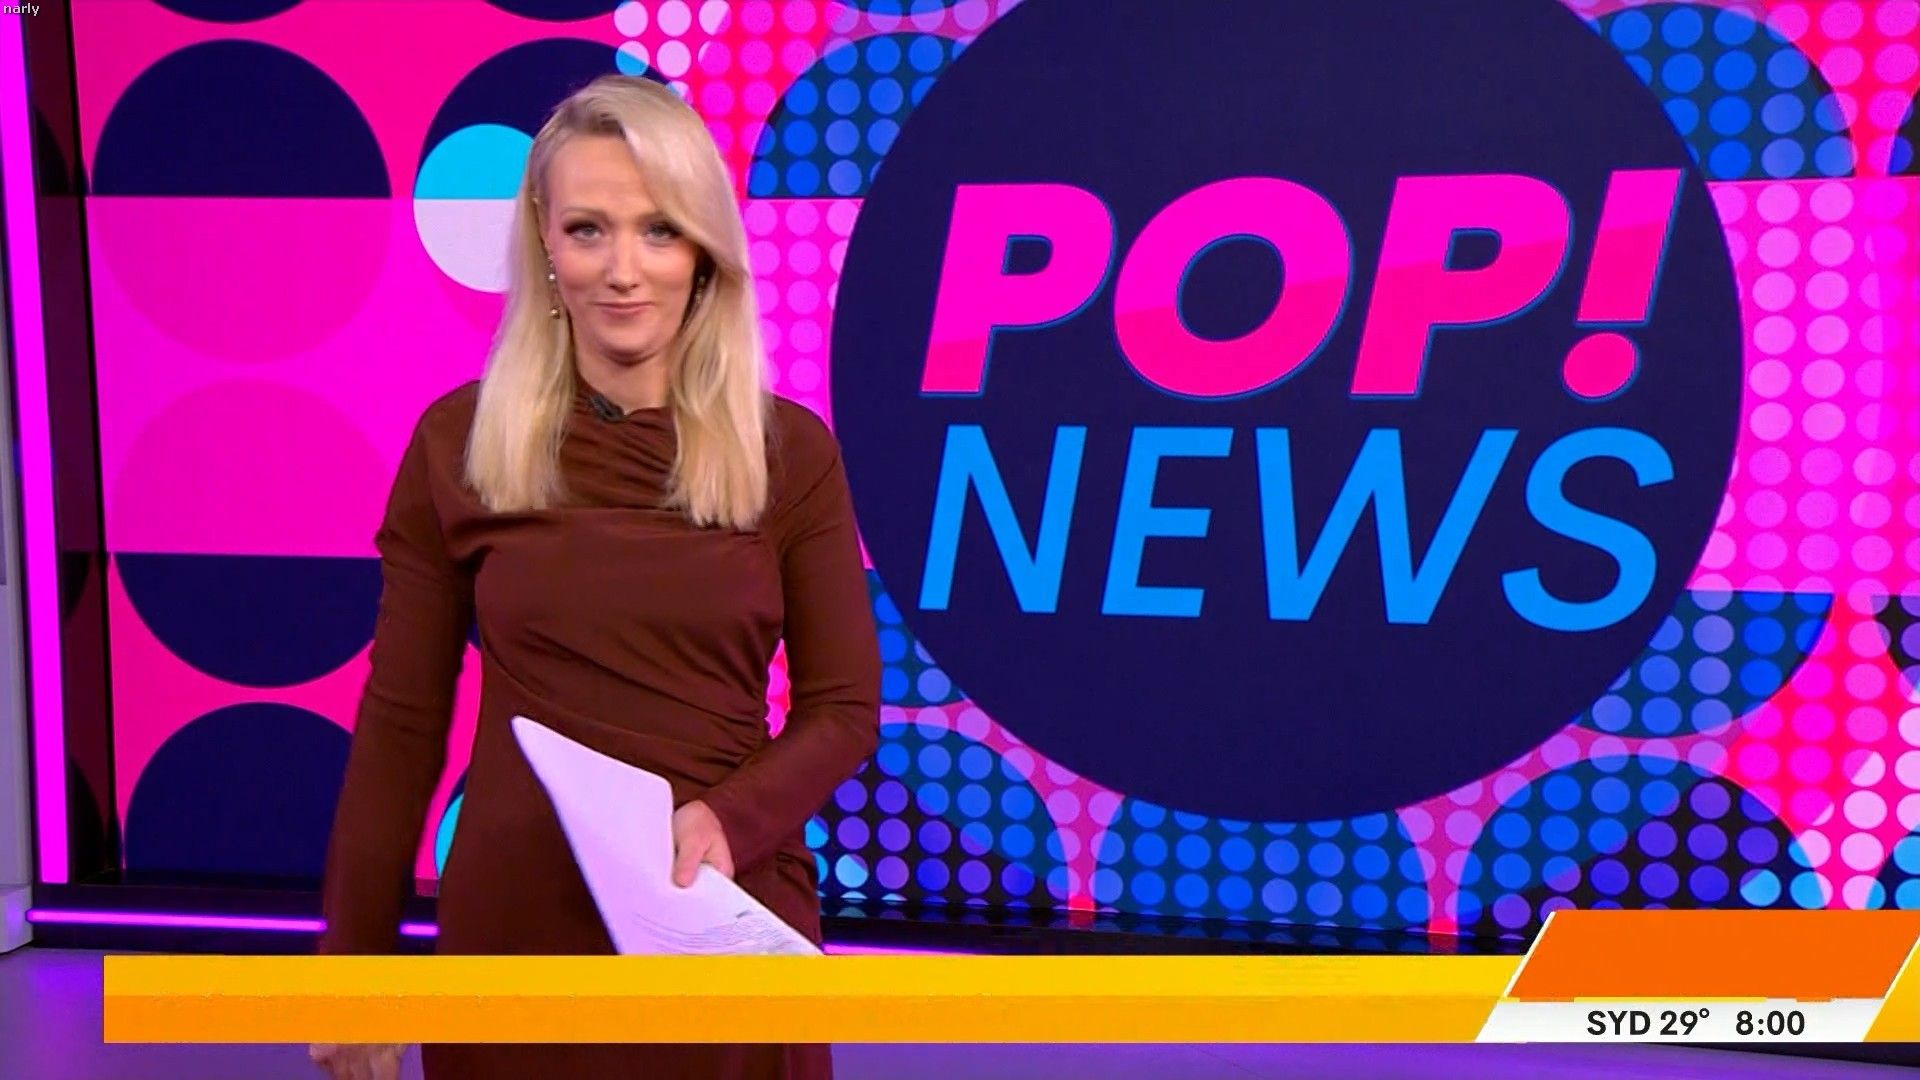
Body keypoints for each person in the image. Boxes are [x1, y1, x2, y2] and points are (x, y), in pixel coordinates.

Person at [309, 74, 881, 1080]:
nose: (624, 271)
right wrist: (354, 967)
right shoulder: (459, 444)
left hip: (719, 907)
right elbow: (401, 725)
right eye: (588, 230)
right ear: (544, 241)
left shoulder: (789, 453)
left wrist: (728, 821)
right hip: (517, 927)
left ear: (704, 249)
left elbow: (842, 709)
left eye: (658, 230)